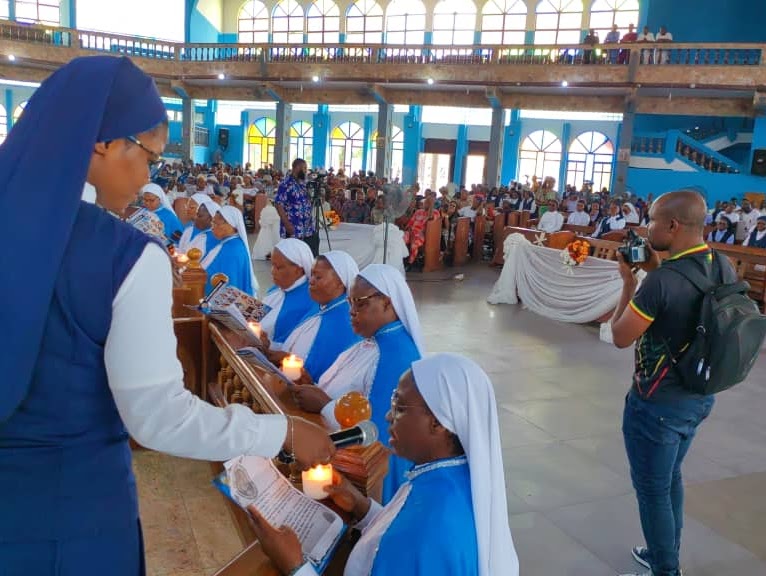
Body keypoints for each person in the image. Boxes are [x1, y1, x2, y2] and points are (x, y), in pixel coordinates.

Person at [0, 56, 334, 576]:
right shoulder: (123, 256)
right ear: (104, 143)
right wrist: (279, 431)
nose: (150, 176)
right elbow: (158, 417)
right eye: (150, 156)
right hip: (71, 516)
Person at [249, 354, 520, 576]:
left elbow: (410, 539)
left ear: (438, 422)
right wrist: (361, 507)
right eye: (393, 401)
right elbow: (397, 531)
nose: (388, 416)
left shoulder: (433, 525)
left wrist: (295, 566)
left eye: (400, 407)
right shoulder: (446, 475)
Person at [610, 190, 737, 576]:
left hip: (657, 404)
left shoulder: (661, 281)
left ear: (672, 225)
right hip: (699, 395)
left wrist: (629, 283)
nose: (647, 229)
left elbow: (620, 336)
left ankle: (666, 568)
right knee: (670, 479)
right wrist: (654, 268)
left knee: (652, 491)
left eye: (651, 221)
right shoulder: (722, 263)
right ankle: (665, 552)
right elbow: (685, 306)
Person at [291, 264, 424, 503]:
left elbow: (376, 433)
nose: (351, 312)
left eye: (360, 303)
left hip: (365, 480)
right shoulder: (371, 340)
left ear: (388, 303)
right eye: (350, 303)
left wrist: (324, 405)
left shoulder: (396, 355)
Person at [277, 251, 361, 382]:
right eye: (311, 275)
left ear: (340, 282)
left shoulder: (345, 322)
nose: (310, 281)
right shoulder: (319, 307)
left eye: (318, 277)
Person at [260, 238, 317, 349]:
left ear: (298, 269)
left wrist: (268, 344)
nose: (272, 271)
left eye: (278, 267)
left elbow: (293, 348)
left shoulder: (309, 300)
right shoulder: (277, 289)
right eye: (272, 265)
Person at [201, 205, 258, 296]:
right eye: (212, 223)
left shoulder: (233, 250)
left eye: (216, 224)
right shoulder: (227, 243)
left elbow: (229, 283)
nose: (212, 227)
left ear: (232, 225)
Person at [275, 158, 317, 255]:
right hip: (293, 226)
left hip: (307, 227)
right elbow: (278, 204)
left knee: (307, 254)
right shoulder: (286, 184)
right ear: (297, 168)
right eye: (304, 168)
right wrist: (286, 224)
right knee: (294, 255)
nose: (306, 171)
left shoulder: (303, 183)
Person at [404, 193, 440, 264]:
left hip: (422, 234)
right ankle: (401, 259)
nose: (425, 204)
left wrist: (431, 208)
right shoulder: (418, 211)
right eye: (425, 202)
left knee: (414, 245)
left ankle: (410, 262)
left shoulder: (435, 212)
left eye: (428, 203)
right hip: (411, 232)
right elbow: (410, 223)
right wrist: (408, 230)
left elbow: (431, 219)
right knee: (401, 239)